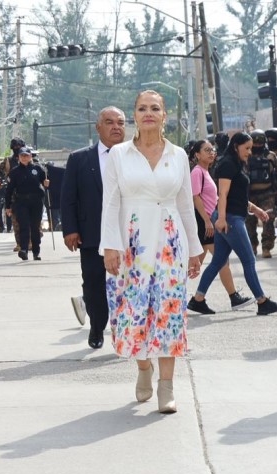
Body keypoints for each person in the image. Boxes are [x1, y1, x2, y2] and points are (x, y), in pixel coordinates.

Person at [101, 90, 203, 414]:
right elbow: (111, 202)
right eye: (142, 108)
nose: (148, 113)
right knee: (133, 313)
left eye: (155, 108)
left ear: (164, 116)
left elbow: (187, 205)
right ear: (134, 115)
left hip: (171, 242)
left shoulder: (179, 155)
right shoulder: (119, 154)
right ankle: (144, 368)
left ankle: (167, 385)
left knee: (169, 311)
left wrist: (195, 250)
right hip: (133, 243)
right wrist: (111, 246)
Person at [189, 132, 277, 317]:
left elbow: (237, 195)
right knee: (249, 260)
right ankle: (262, 301)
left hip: (232, 216)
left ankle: (198, 299)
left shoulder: (236, 163)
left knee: (218, 261)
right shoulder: (227, 164)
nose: (250, 152)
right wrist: (221, 219)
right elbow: (223, 194)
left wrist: (256, 209)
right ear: (236, 146)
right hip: (230, 219)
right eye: (247, 148)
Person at [61, 106, 127, 349]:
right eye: (109, 122)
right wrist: (70, 229)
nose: (116, 127)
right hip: (92, 234)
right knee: (93, 283)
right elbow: (68, 197)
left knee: (126, 284)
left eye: (120, 122)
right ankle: (97, 326)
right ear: (98, 127)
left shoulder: (135, 156)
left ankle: (124, 331)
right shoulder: (80, 159)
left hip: (126, 234)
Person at [185, 139, 254, 314]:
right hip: (204, 222)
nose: (211, 153)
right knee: (219, 261)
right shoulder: (197, 172)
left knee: (197, 263)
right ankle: (232, 297)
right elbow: (196, 198)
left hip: (209, 221)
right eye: (206, 150)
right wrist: (207, 221)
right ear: (197, 155)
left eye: (213, 150)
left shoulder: (207, 172)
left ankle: (191, 298)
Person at [246, 130, 277, 258]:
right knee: (249, 221)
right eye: (255, 143)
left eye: (260, 143)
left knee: (269, 218)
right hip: (250, 195)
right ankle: (252, 245)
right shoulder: (246, 155)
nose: (257, 145)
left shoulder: (270, 156)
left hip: (268, 193)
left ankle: (266, 247)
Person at [5, 147, 49, 261]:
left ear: (30, 156)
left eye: (26, 155)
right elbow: (9, 190)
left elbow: (45, 182)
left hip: (36, 202)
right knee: (23, 226)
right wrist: (8, 206)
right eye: (22, 156)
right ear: (19, 157)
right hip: (21, 202)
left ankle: (36, 252)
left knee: (35, 227)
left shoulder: (38, 168)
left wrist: (47, 183)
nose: (24, 158)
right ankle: (23, 249)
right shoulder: (14, 172)